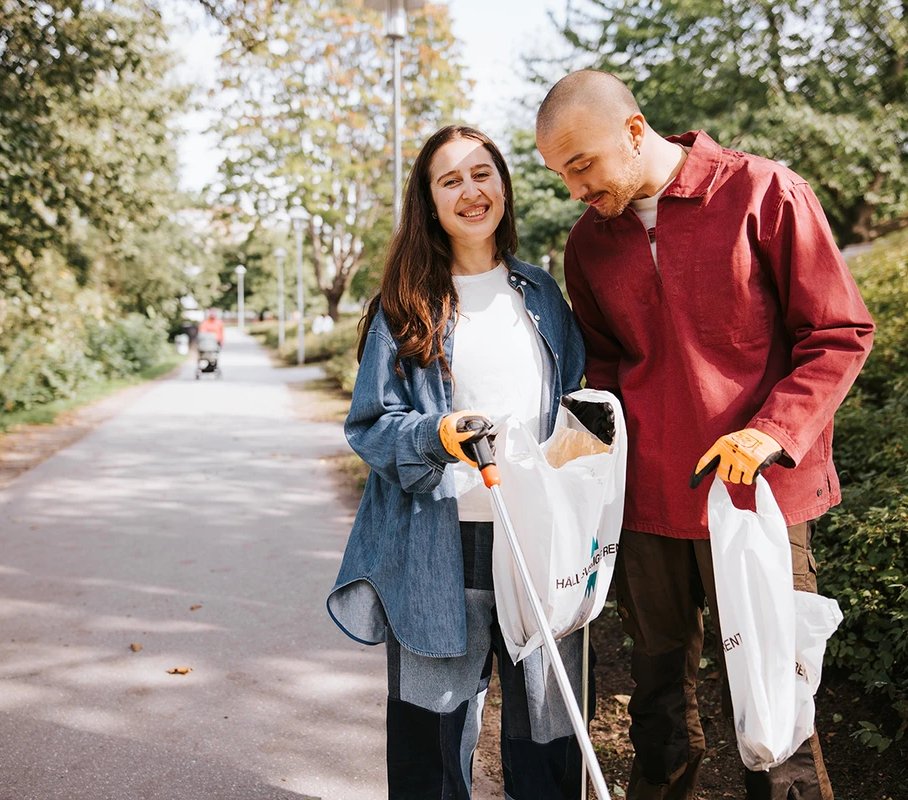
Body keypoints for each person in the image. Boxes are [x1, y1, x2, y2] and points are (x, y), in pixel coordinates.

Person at [535, 70, 875, 800]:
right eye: (561, 174)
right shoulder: (588, 244)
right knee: (657, 708)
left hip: (757, 500)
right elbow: (603, 372)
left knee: (775, 704)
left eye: (581, 165)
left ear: (633, 131)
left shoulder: (764, 192)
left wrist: (770, 432)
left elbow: (838, 333)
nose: (574, 188)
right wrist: (581, 469)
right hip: (649, 506)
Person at [327, 124, 594, 799]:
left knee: (549, 728)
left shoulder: (541, 296)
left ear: (502, 184)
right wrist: (438, 433)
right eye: (451, 180)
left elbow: (574, 408)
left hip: (539, 544)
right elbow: (370, 426)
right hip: (438, 548)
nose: (471, 191)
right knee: (433, 744)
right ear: (430, 202)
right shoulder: (403, 306)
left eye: (483, 173)